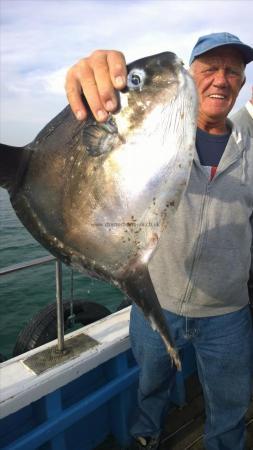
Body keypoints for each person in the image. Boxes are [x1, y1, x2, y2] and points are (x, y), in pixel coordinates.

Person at [65, 33, 253, 450]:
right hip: (157, 301)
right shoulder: (153, 133)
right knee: (150, 386)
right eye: (209, 69)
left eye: (233, 72)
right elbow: (108, 122)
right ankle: (145, 437)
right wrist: (94, 80)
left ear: (242, 84)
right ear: (188, 76)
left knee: (230, 405)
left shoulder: (249, 141)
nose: (221, 80)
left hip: (228, 311)